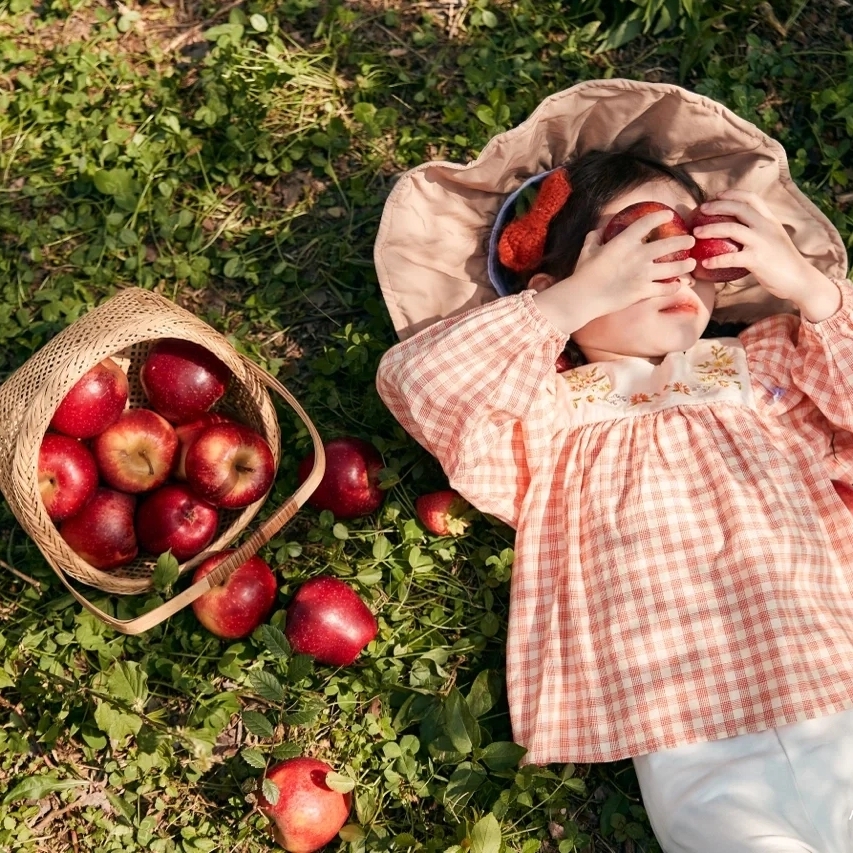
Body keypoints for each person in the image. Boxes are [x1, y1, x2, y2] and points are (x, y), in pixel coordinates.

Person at [374, 141, 853, 852]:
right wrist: (569, 304)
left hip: (834, 673)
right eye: (638, 248)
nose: (674, 267)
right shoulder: (542, 420)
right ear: (555, 286)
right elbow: (420, 385)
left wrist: (810, 288)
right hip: (681, 726)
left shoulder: (770, 363)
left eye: (689, 246)